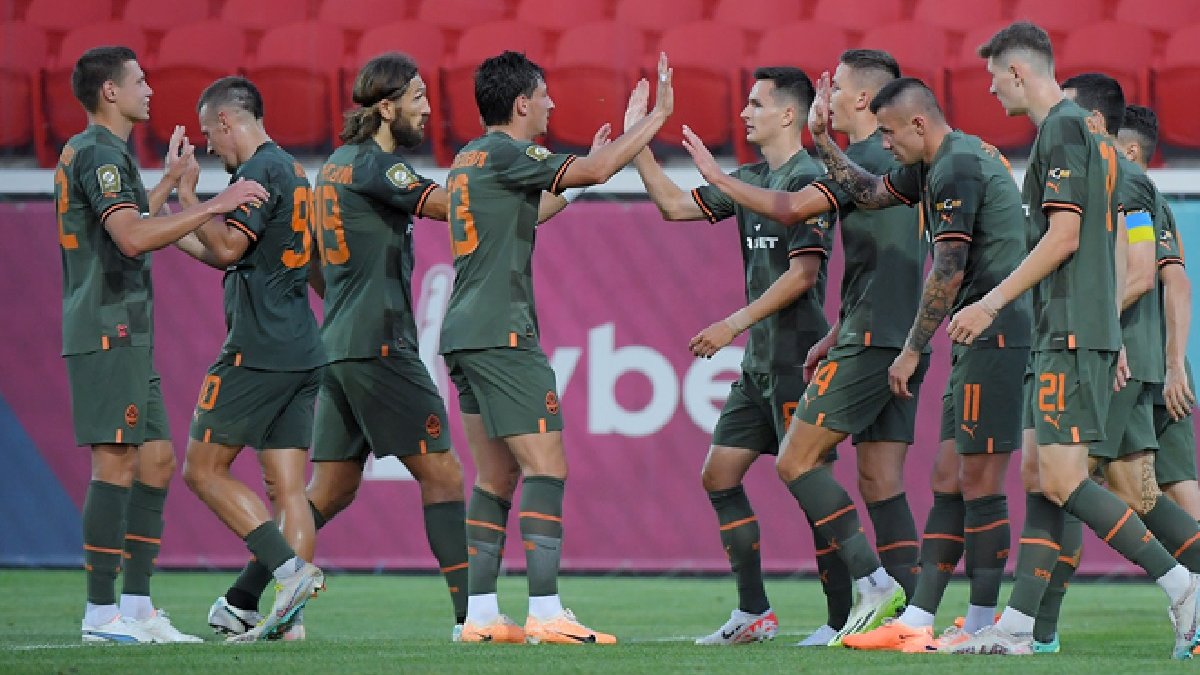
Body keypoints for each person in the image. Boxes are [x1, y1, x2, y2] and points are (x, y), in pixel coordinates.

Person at [206, 52, 586, 643]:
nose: (427, 110)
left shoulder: (336, 165)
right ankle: (472, 617)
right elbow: (463, 208)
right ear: (386, 107)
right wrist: (547, 186)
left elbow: (313, 261)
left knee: (332, 488)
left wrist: (342, 305)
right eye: (417, 99)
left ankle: (240, 599)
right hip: (381, 345)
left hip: (337, 344)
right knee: (445, 476)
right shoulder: (378, 167)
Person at [945, 21, 1200, 658]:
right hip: (1073, 333)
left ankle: (1182, 584)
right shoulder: (1093, 142)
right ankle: (1022, 627)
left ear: (1018, 72)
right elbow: (1104, 246)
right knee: (1045, 475)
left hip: (1070, 333)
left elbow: (1067, 240)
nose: (990, 88)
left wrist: (991, 301)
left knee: (1074, 481)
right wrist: (1111, 334)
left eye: (994, 76)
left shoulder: (1064, 129)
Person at [682, 50, 929, 646]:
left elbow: (794, 211)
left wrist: (717, 176)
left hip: (872, 339)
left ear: (863, 98)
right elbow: (886, 266)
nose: (827, 96)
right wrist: (841, 332)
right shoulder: (902, 164)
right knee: (881, 481)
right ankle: (910, 622)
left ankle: (871, 588)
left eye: (834, 87)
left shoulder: (862, 163)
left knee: (798, 463)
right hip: (893, 335)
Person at [782, 75, 1032, 653]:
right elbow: (870, 192)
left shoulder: (957, 168)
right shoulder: (934, 164)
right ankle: (920, 617)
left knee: (979, 481)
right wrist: (824, 141)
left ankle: (984, 623)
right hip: (973, 333)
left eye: (890, 133)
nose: (885, 143)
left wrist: (913, 348)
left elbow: (947, 268)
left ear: (919, 123)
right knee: (947, 478)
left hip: (999, 332)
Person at [446, 50, 673, 645]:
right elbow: (594, 171)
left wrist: (579, 178)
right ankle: (546, 611)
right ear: (522, 103)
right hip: (503, 333)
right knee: (547, 467)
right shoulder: (509, 153)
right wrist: (652, 122)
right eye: (544, 95)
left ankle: (480, 616)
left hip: (463, 334)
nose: (552, 104)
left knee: (495, 478)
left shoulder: (470, 157)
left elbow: (529, 212)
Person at [58, 46, 266, 644]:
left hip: (125, 327)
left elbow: (123, 223)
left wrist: (171, 185)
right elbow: (130, 239)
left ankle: (138, 607)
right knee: (115, 463)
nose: (150, 89)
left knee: (155, 461)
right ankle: (101, 615)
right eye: (140, 81)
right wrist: (216, 204)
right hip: (106, 325)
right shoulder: (100, 152)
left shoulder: (98, 150)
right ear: (110, 92)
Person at [625, 65, 833, 645]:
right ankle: (753, 612)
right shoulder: (751, 180)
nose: (743, 113)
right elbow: (673, 205)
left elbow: (803, 275)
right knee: (719, 475)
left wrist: (732, 323)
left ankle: (842, 617)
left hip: (798, 359)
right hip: (757, 365)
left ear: (788, 114)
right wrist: (638, 139)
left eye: (756, 104)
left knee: (813, 489)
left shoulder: (810, 181)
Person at [1026, 79, 1200, 654]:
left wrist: (1148, 354)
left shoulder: (1124, 184)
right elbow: (1167, 277)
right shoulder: (1137, 188)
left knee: (1062, 480)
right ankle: (1035, 626)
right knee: (1137, 492)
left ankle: (1030, 624)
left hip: (1115, 354)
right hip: (1135, 354)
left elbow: (1149, 274)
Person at [175, 76, 327, 643]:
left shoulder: (258, 172)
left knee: (202, 469)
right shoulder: (293, 170)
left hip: (257, 349)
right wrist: (167, 226)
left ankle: (289, 574)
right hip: (301, 346)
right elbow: (225, 255)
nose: (208, 146)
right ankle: (289, 618)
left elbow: (228, 246)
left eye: (208, 133)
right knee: (288, 490)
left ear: (225, 121)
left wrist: (190, 198)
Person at [1115, 105, 1200, 519]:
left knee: (1066, 478)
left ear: (1130, 151)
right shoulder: (1152, 203)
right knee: (1177, 487)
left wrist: (1173, 366)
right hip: (1162, 366)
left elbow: (1170, 282)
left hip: (1135, 364)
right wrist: (1176, 365)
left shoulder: (1133, 201)